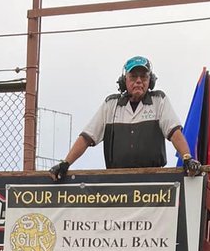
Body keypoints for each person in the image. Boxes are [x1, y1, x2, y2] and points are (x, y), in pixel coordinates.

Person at [51, 55, 200, 179]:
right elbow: (87, 137)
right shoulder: (111, 104)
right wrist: (65, 163)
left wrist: (187, 157)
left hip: (154, 180)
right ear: (124, 81)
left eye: (143, 77)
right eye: (133, 77)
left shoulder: (159, 100)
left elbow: (174, 132)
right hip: (117, 181)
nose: (139, 81)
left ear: (151, 81)